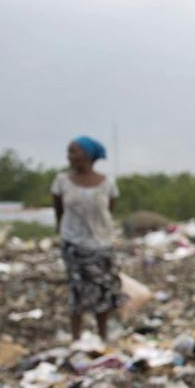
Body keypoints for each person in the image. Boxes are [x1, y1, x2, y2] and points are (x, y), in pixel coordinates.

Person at [52, 137, 122, 341]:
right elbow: (58, 209)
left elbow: (108, 211)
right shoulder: (61, 181)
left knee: (103, 291)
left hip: (101, 245)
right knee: (77, 290)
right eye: (69, 152)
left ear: (89, 155)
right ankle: (77, 338)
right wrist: (62, 232)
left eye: (74, 151)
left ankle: (102, 336)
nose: (70, 156)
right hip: (73, 244)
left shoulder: (107, 183)